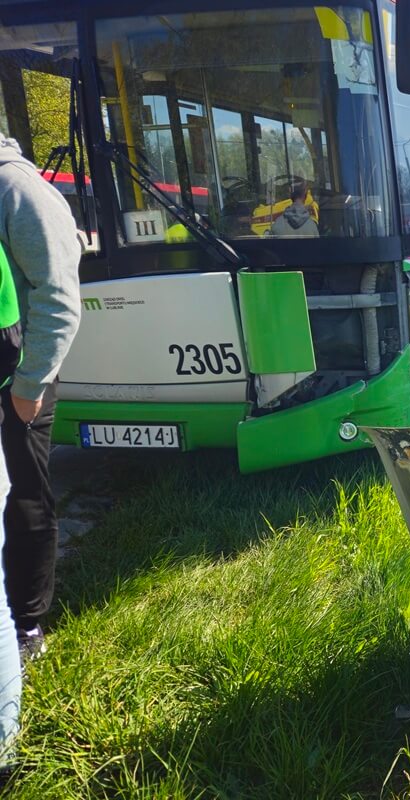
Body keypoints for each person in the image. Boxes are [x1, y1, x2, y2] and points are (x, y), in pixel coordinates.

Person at [0, 132, 82, 771]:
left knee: (26, 499)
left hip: (20, 381)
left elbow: (58, 299)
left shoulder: (18, 188)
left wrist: (30, 389)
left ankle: (28, 625)